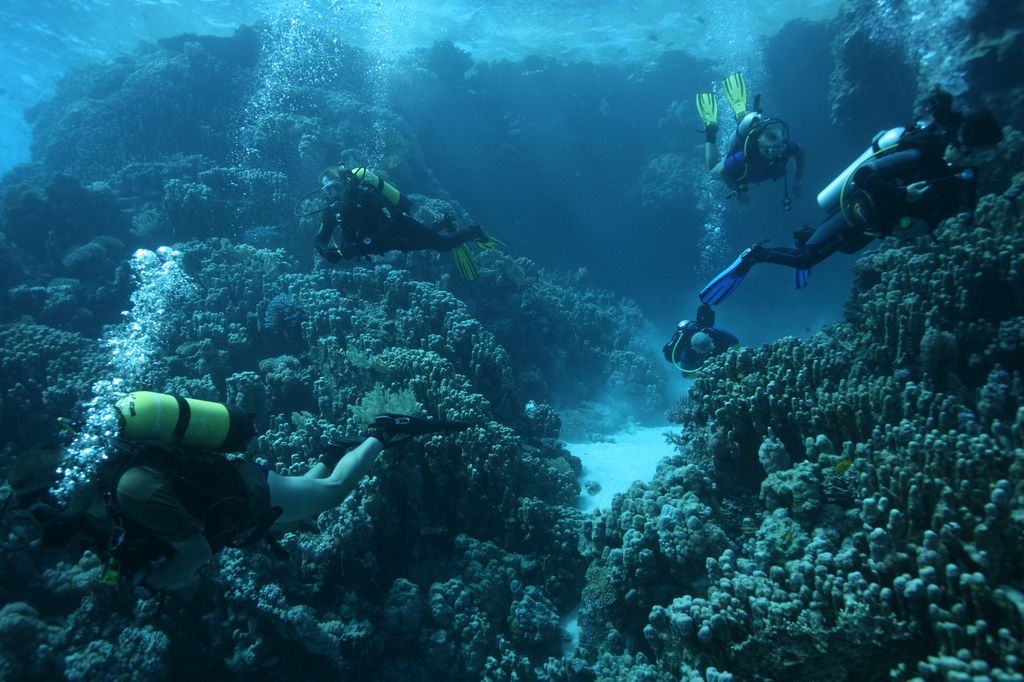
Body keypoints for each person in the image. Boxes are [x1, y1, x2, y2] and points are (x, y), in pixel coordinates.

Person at [26, 391, 468, 598]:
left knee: (331, 493)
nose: (57, 510)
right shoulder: (101, 497)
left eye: (52, 501)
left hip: (247, 492)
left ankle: (385, 431)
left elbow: (195, 552)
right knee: (294, 515)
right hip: (240, 507)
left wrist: (151, 585)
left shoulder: (131, 490)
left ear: (69, 479)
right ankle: (332, 451)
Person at [699, 91, 1003, 306]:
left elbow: (798, 152)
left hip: (879, 220)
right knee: (806, 259)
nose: (984, 162)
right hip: (862, 208)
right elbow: (866, 174)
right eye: (982, 154)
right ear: (967, 146)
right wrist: (902, 194)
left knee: (845, 249)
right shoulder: (920, 154)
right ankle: (754, 255)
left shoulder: (964, 169)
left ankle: (804, 235)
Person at [312, 165, 501, 280]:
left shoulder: (367, 196)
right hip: (383, 244)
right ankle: (443, 223)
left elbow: (392, 223)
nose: (332, 194)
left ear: (345, 183)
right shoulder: (332, 210)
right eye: (327, 190)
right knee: (423, 243)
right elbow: (320, 238)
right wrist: (325, 251)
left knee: (442, 245)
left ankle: (474, 231)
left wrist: (361, 246)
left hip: (402, 228)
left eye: (335, 187)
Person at [697, 72, 806, 208]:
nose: (777, 154)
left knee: (750, 126)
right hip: (742, 153)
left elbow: (800, 152)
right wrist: (737, 191)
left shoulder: (785, 147)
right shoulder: (744, 156)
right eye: (770, 151)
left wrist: (798, 178)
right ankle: (711, 130)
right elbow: (722, 172)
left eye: (779, 148)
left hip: (753, 149)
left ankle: (743, 116)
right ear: (760, 146)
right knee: (713, 171)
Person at [662, 304, 740, 378]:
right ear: (693, 348)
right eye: (704, 350)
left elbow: (736, 343)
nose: (710, 350)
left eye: (711, 345)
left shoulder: (714, 331)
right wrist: (705, 372)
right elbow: (687, 375)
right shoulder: (687, 352)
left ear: (709, 337)